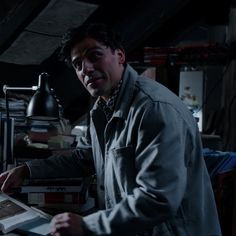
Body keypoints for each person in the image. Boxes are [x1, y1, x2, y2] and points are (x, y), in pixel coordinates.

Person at [0, 23, 221, 236]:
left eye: (94, 55)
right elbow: (83, 158)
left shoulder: (154, 109)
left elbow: (157, 199)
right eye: (78, 65)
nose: (85, 69)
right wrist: (27, 171)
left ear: (120, 56)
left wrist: (88, 226)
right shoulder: (102, 107)